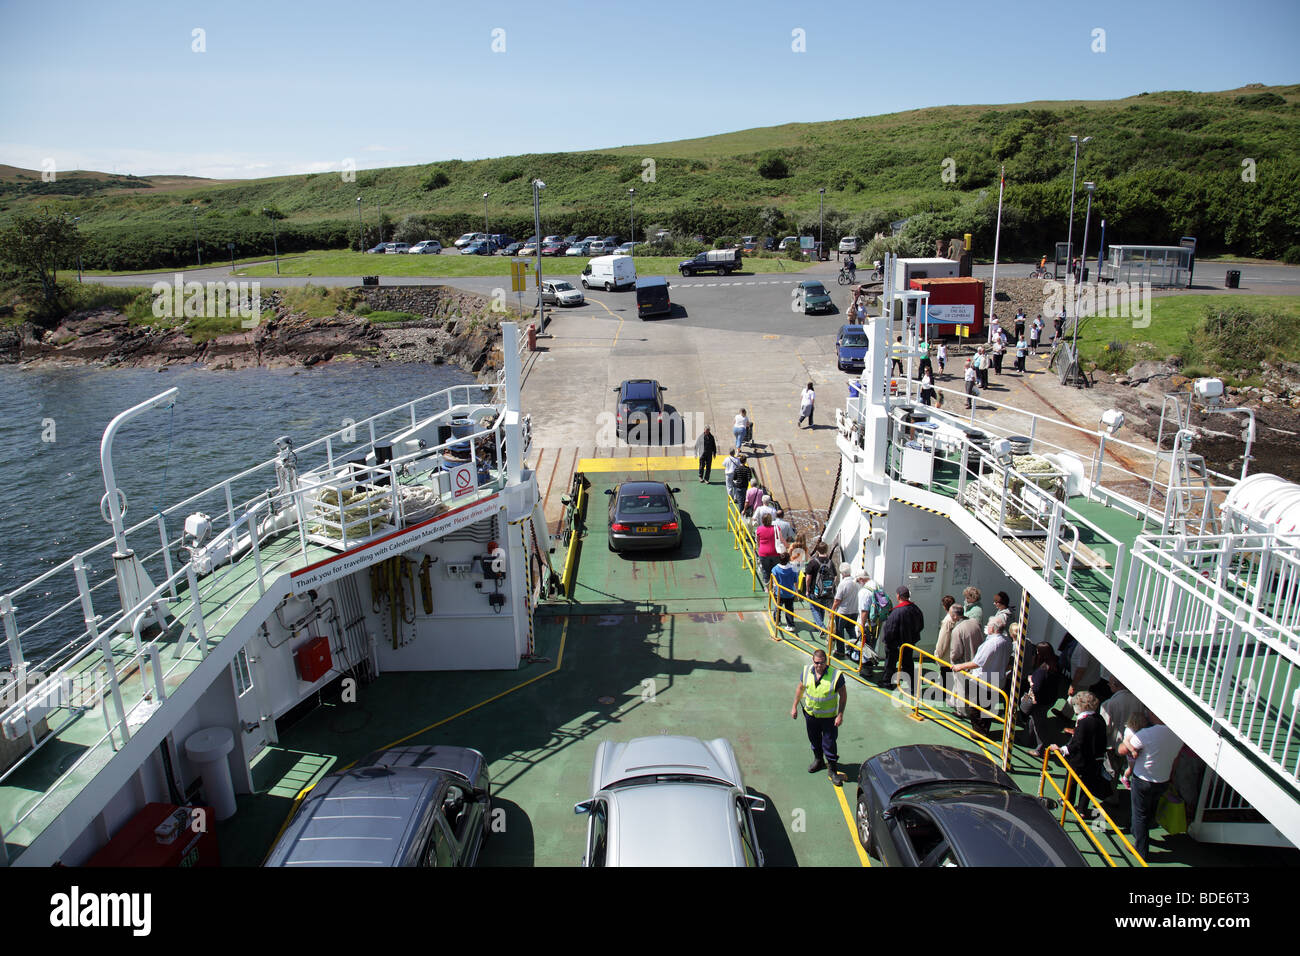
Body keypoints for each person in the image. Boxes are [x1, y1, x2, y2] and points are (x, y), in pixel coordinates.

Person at [1119, 713, 1182, 858]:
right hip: (1163, 780)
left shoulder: (1146, 734)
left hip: (1143, 780)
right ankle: (1140, 836)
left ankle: (1141, 850)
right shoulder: (1177, 735)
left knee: (1140, 815)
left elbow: (1123, 750)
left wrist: (1125, 741)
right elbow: (1176, 759)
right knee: (1149, 813)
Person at [791, 649, 847, 782]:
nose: (819, 666)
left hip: (829, 718)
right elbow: (800, 689)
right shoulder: (806, 672)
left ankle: (832, 771)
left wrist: (840, 715)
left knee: (829, 743)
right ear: (813, 661)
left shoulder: (836, 676)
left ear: (826, 662)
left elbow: (843, 696)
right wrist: (794, 706)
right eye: (816, 663)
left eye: (822, 663)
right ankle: (819, 760)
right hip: (811, 716)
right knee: (814, 740)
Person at [1050, 692, 1109, 805]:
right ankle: (1082, 809)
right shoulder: (1099, 719)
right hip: (1095, 759)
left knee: (1071, 781)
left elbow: (1077, 744)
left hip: (1080, 760)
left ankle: (1067, 801)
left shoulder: (1083, 722)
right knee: (1087, 784)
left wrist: (1061, 749)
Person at [952, 623, 1010, 734]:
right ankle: (984, 729)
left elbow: (977, 662)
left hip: (983, 680)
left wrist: (960, 666)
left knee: (976, 707)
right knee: (988, 707)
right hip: (997, 679)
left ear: (992, 628)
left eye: (988, 625)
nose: (986, 627)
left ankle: (979, 732)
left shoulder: (991, 643)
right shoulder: (1006, 641)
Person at [877, 585, 924, 689]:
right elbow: (920, 625)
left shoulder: (896, 612)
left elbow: (890, 629)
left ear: (898, 596)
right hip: (909, 642)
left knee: (890, 663)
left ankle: (887, 682)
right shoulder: (915, 609)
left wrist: (887, 641)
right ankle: (912, 685)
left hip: (895, 643)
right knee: (908, 663)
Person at [1020, 642, 1063, 757]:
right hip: (1049, 699)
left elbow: (1037, 687)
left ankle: (1041, 749)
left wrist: (1030, 680)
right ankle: (1026, 739)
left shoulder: (1043, 669)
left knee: (1039, 725)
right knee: (1033, 719)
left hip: (1040, 701)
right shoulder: (1055, 664)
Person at [1100, 677, 1142, 781]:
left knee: (1111, 773)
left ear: (1115, 685)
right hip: (1132, 745)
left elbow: (1105, 728)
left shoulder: (1109, 704)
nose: (1108, 685)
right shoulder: (1138, 701)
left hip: (1113, 745)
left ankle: (1112, 795)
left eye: (1109, 683)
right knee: (1127, 768)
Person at [830, 564, 862, 660]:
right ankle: (855, 650)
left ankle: (840, 651)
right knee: (851, 630)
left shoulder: (843, 584)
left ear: (842, 573)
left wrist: (832, 610)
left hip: (843, 612)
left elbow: (837, 600)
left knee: (840, 632)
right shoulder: (856, 583)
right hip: (854, 611)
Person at [803, 541, 834, 630]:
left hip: (814, 590)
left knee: (814, 609)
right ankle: (820, 625)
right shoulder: (830, 563)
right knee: (822, 608)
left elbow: (808, 578)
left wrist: (807, 589)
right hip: (826, 590)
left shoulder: (813, 562)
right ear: (826, 550)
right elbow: (834, 576)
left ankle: (821, 627)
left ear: (817, 551)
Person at [770, 552, 800, 629]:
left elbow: (774, 581)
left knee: (778, 607)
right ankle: (790, 625)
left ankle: (777, 620)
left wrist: (773, 590)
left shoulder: (775, 569)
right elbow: (795, 581)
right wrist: (796, 591)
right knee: (789, 609)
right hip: (790, 593)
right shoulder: (793, 569)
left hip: (779, 593)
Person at [755, 513, 779, 588]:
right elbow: (779, 540)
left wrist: (760, 549)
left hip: (763, 553)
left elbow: (758, 541)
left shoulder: (759, 529)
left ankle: (767, 588)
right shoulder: (776, 528)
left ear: (762, 520)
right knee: (775, 570)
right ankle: (775, 587)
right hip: (775, 552)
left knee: (765, 570)